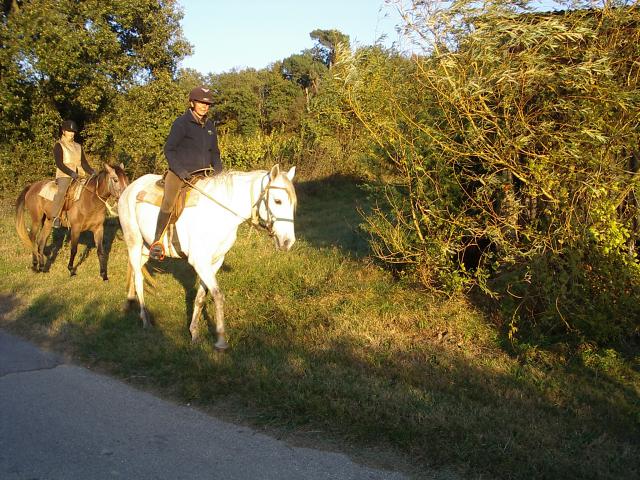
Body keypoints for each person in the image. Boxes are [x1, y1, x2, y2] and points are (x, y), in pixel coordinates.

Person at [149, 85, 223, 260]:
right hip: (180, 173)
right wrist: (180, 171)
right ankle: (157, 242)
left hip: (203, 174)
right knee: (169, 201)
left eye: (208, 104)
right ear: (192, 103)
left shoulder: (211, 125)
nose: (205, 106)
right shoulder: (181, 123)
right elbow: (169, 150)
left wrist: (219, 172)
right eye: (200, 103)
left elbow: (215, 152)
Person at [51, 119, 95, 228]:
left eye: (73, 132)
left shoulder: (78, 146)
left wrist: (93, 172)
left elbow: (84, 164)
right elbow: (59, 163)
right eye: (69, 131)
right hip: (64, 175)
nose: (72, 134)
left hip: (79, 175)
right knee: (62, 192)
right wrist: (71, 173)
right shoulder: (59, 145)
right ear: (63, 131)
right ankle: (55, 217)